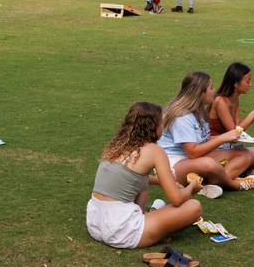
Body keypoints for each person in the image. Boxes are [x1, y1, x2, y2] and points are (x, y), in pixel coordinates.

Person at [87, 101, 204, 250]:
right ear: (154, 128)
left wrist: (160, 181)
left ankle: (149, 218)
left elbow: (128, 177)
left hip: (95, 224)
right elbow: (176, 199)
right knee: (194, 207)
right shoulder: (155, 151)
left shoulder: (117, 145)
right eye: (161, 123)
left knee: (143, 188)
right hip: (123, 231)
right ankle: (155, 227)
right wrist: (192, 188)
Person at [157, 72, 254, 191]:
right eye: (211, 87)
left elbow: (202, 140)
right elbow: (193, 152)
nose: (214, 90)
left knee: (243, 154)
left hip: (191, 159)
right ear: (200, 93)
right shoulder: (182, 116)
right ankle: (235, 184)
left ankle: (209, 183)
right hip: (173, 164)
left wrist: (226, 139)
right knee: (209, 163)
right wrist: (222, 138)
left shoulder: (199, 110)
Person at [210, 63, 254, 178]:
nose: (250, 84)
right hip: (217, 150)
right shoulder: (220, 101)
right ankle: (243, 170)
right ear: (235, 83)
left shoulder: (235, 99)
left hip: (231, 148)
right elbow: (234, 133)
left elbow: (239, 127)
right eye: (248, 81)